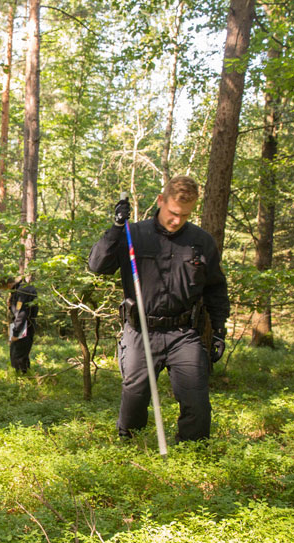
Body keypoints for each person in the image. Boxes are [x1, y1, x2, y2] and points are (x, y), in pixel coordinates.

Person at [88, 176, 229, 442]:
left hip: (183, 333)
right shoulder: (133, 234)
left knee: (196, 399)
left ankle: (192, 453)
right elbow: (97, 266)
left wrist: (220, 330)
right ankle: (130, 446)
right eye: (173, 213)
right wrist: (117, 227)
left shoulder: (201, 242)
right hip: (140, 330)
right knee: (135, 395)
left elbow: (216, 288)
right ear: (161, 201)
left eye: (184, 215)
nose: (177, 220)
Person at [0, 276, 38, 374]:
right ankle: (24, 374)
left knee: (18, 353)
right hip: (25, 324)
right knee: (22, 352)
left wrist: (16, 333)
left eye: (6, 289)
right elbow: (17, 310)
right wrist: (10, 306)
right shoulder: (22, 288)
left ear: (8, 285)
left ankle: (21, 376)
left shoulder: (21, 291)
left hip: (24, 325)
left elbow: (21, 313)